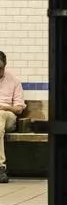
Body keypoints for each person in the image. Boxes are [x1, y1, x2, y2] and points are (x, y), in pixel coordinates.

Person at [0, 51, 26, 184]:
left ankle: (0, 167)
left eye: (0, 68)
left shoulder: (14, 81)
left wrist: (5, 107)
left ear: (5, 65)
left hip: (8, 115)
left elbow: (19, 109)